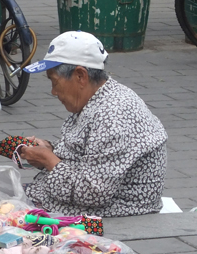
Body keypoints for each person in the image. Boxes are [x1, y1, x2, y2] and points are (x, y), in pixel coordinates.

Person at [19, 31, 167, 217]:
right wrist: (51, 151)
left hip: (113, 211)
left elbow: (93, 193)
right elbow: (89, 157)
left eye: (55, 82)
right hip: (77, 199)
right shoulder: (100, 96)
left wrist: (48, 160)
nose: (53, 92)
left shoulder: (113, 116)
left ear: (81, 76)